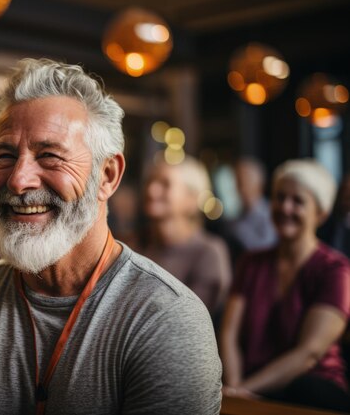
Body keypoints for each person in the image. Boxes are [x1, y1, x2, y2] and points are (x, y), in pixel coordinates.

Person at [0, 58, 222, 415]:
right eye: (5, 156)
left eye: (50, 156)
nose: (18, 179)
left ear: (107, 175)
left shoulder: (166, 319)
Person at [220, 159, 350, 412]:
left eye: (298, 201)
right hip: (248, 381)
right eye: (279, 198)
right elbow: (229, 333)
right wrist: (234, 387)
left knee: (306, 388)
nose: (284, 207)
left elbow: (309, 353)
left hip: (312, 389)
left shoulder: (336, 270)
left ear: (321, 214)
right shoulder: (250, 262)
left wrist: (244, 390)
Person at [141, 156, 232, 317]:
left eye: (165, 184)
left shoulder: (209, 252)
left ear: (192, 199)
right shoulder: (136, 244)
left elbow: (188, 318)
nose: (151, 190)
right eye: (150, 181)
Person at [227, 157, 277, 253]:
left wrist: (237, 229)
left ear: (258, 182)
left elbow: (263, 248)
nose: (238, 188)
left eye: (242, 181)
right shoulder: (236, 216)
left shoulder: (271, 214)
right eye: (237, 182)